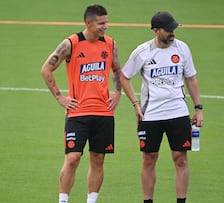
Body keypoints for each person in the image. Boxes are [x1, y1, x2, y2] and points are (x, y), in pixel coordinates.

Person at [40, 4, 122, 203]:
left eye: (106, 22)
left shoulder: (110, 44)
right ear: (88, 22)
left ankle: (91, 201)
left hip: (104, 112)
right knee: (73, 158)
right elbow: (46, 69)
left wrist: (117, 92)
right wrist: (60, 97)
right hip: (78, 112)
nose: (106, 27)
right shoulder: (71, 43)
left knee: (98, 159)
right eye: (101, 23)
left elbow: (117, 69)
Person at [120, 11, 203, 203]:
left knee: (180, 159)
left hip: (178, 112)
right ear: (156, 31)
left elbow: (191, 78)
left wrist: (198, 108)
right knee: (149, 159)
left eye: (174, 28)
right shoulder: (143, 52)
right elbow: (124, 76)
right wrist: (135, 103)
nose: (173, 32)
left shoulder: (182, 49)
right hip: (150, 115)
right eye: (169, 30)